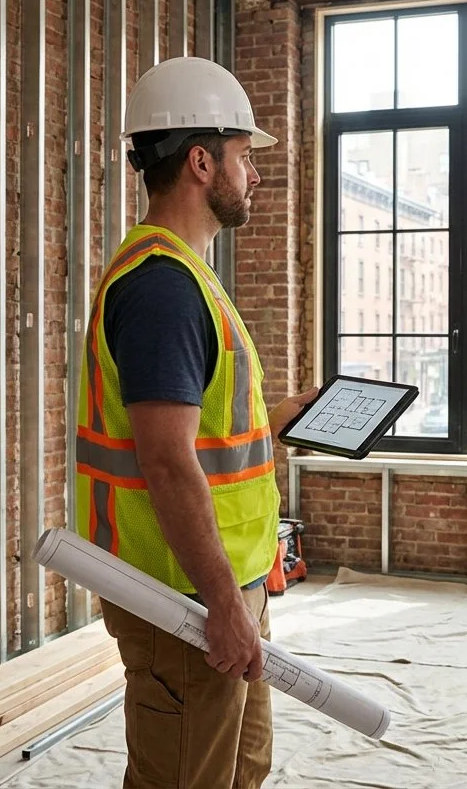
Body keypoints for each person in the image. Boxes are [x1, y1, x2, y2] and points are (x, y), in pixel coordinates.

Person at [72, 56, 317, 789]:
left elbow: (198, 438)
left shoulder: (185, 275)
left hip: (218, 584)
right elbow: (168, 462)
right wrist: (220, 605)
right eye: (246, 157)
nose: (257, 175)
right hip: (180, 598)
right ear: (203, 162)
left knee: (241, 770)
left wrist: (273, 421)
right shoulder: (163, 289)